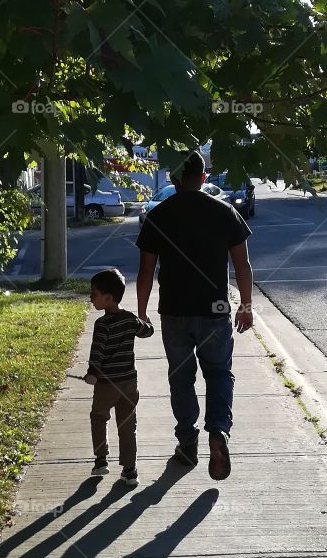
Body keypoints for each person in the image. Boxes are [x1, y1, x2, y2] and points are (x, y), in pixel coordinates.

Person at [135, 150, 253, 481]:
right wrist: (245, 305)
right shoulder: (225, 212)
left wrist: (142, 312)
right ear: (204, 178)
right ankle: (219, 431)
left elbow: (146, 270)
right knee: (218, 373)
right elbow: (241, 265)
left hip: (173, 311)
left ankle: (187, 445)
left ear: (172, 179)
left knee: (181, 378)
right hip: (215, 310)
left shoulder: (159, 214)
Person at [84, 268, 154, 488]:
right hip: (129, 383)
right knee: (127, 425)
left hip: (106, 384)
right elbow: (147, 332)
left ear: (108, 298)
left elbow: (97, 351)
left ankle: (101, 460)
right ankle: (130, 470)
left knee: (99, 417)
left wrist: (92, 373)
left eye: (94, 293)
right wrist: (146, 320)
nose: (90, 297)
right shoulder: (129, 319)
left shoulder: (102, 324)